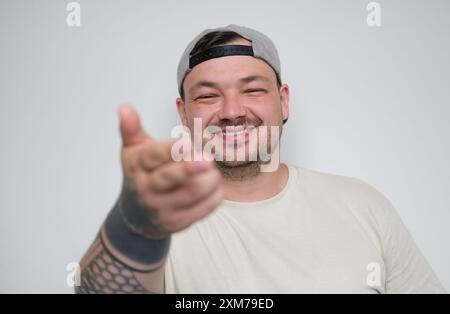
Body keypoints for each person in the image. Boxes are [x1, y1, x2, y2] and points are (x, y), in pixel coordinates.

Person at [76, 24, 446, 294]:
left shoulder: (365, 206)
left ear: (283, 101)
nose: (232, 111)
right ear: (184, 113)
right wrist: (133, 225)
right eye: (207, 96)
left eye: (253, 90)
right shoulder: (159, 222)